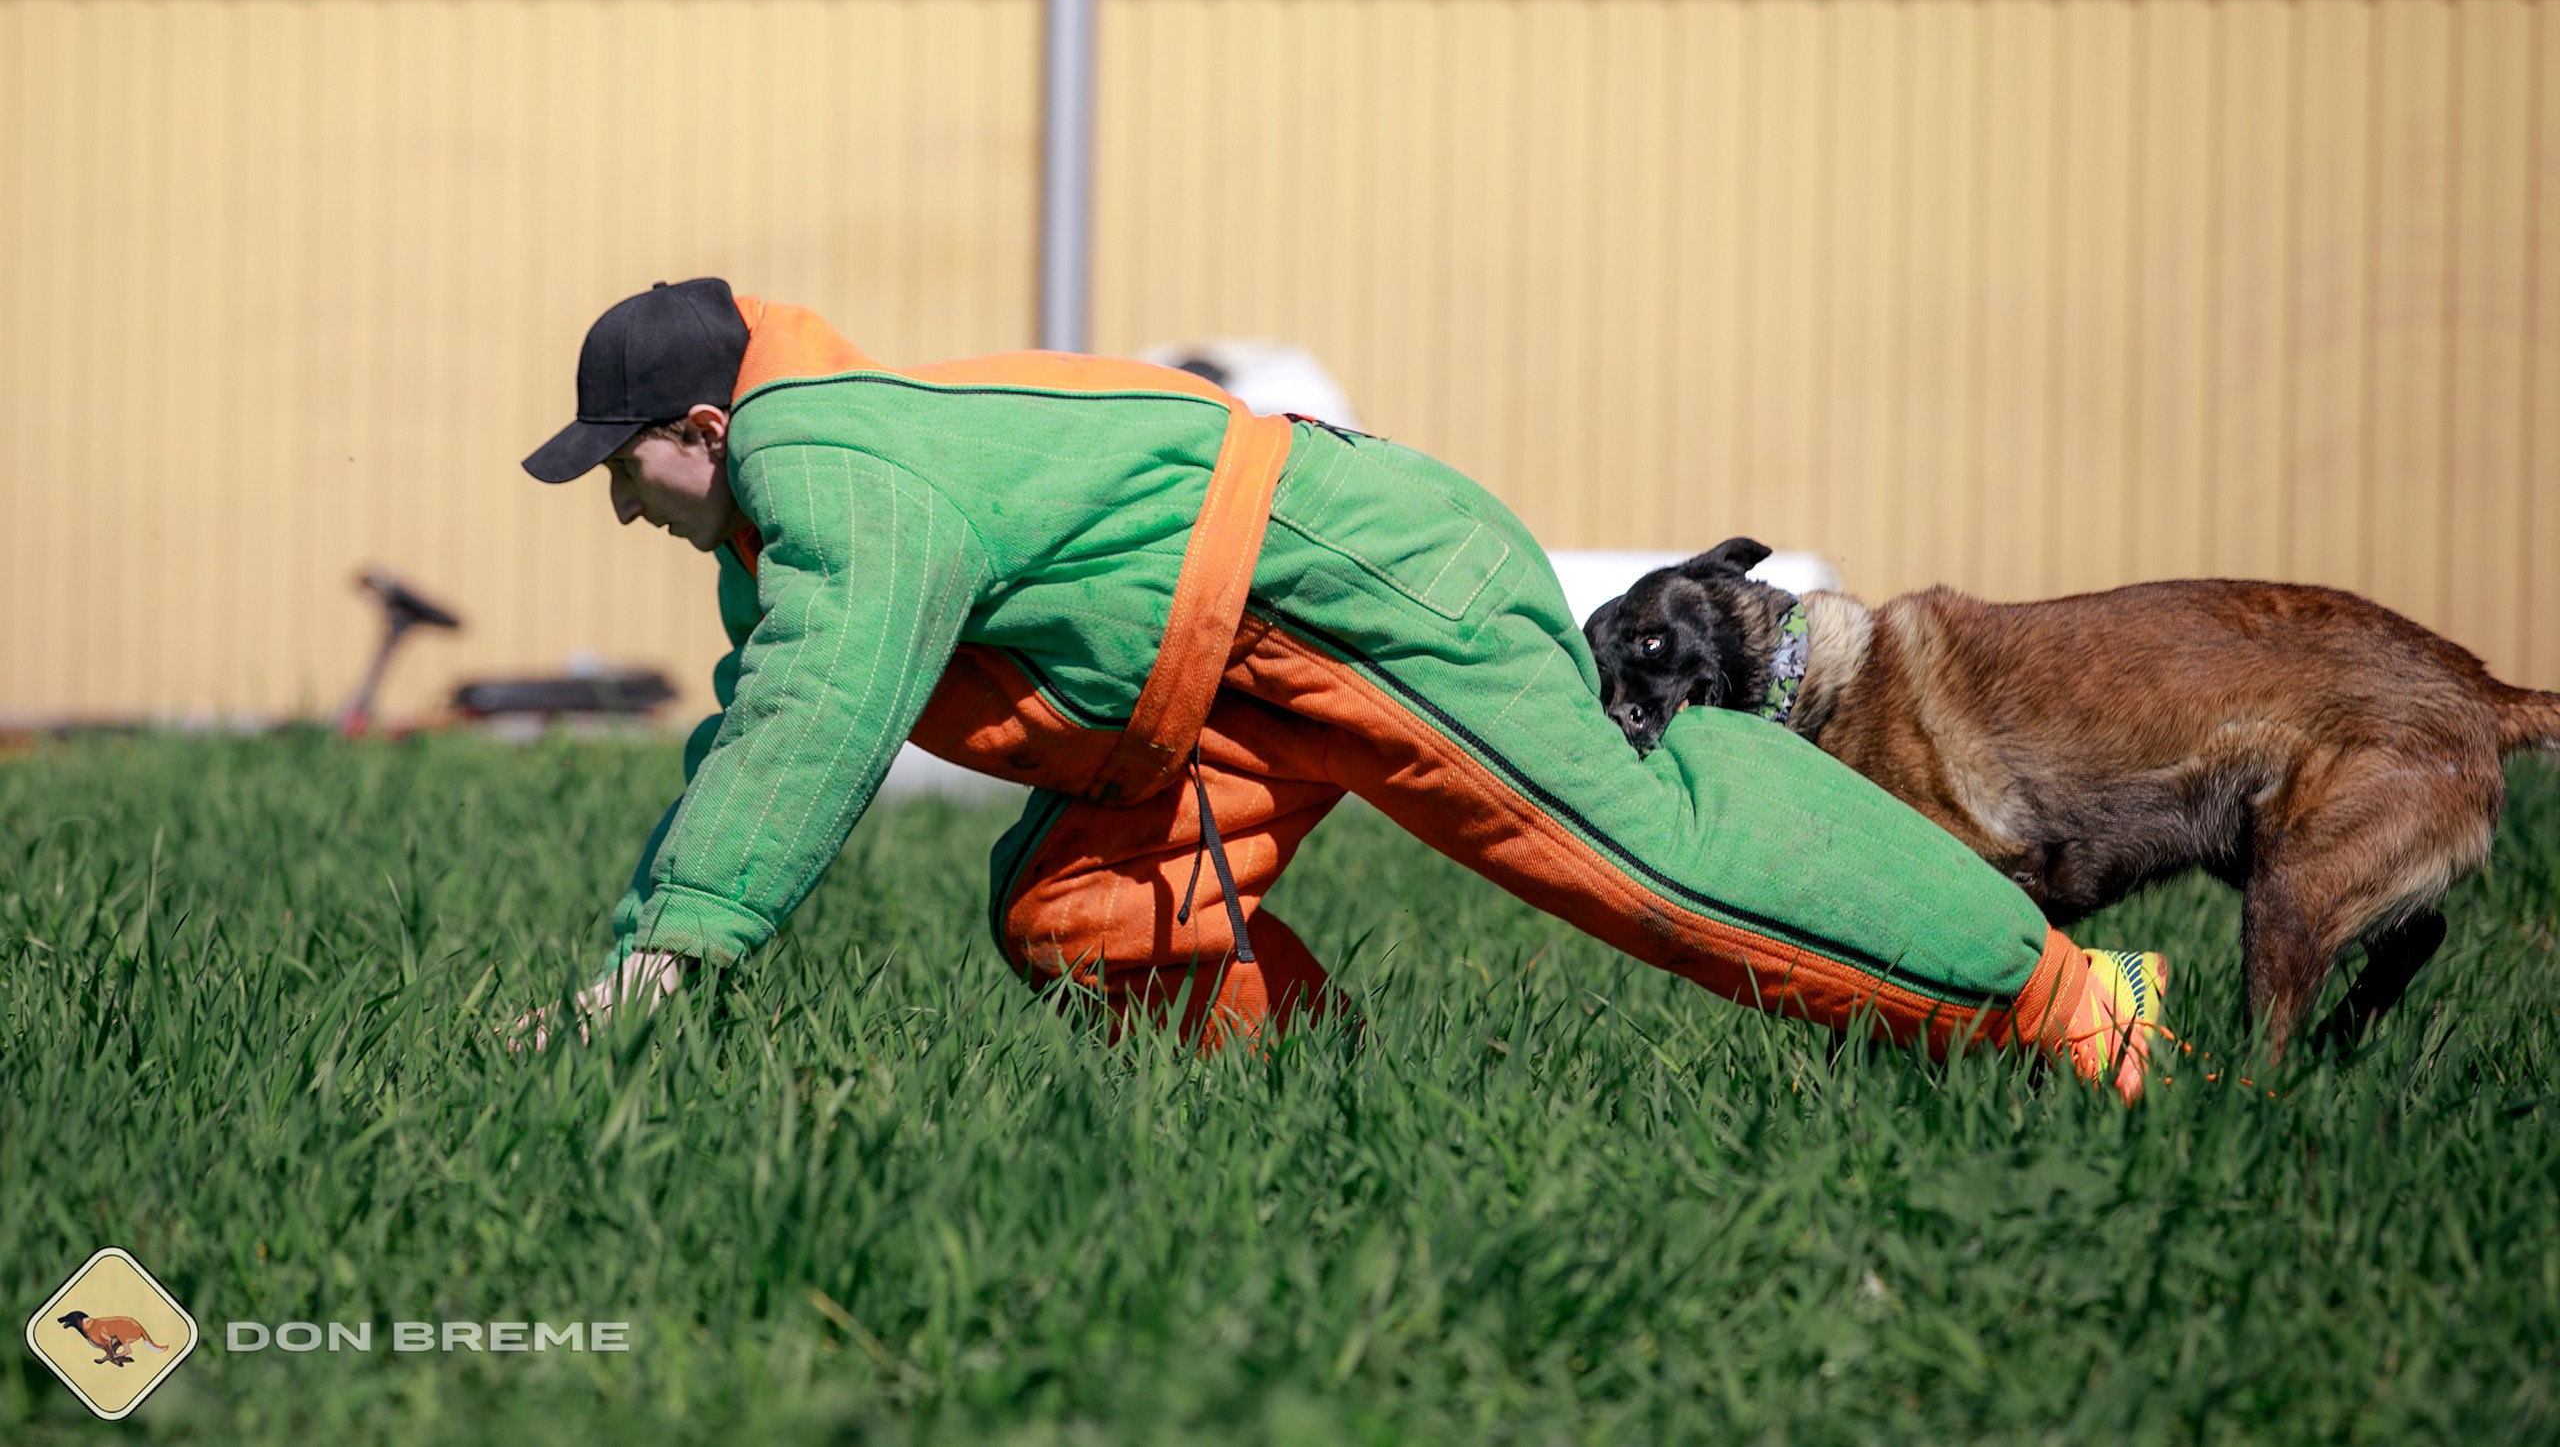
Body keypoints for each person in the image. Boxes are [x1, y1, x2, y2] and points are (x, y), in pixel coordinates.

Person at [513, 279, 2170, 1102]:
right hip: (1222, 667)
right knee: (1089, 912)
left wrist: (663, 962)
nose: (618, 504)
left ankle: (2093, 1017)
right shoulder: (801, 497)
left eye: (622, 468)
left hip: (1351, 578)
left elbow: (809, 720)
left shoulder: (829, 466)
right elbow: (762, 716)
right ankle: (1329, 1106)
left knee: (1642, 852)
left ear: (706, 433)